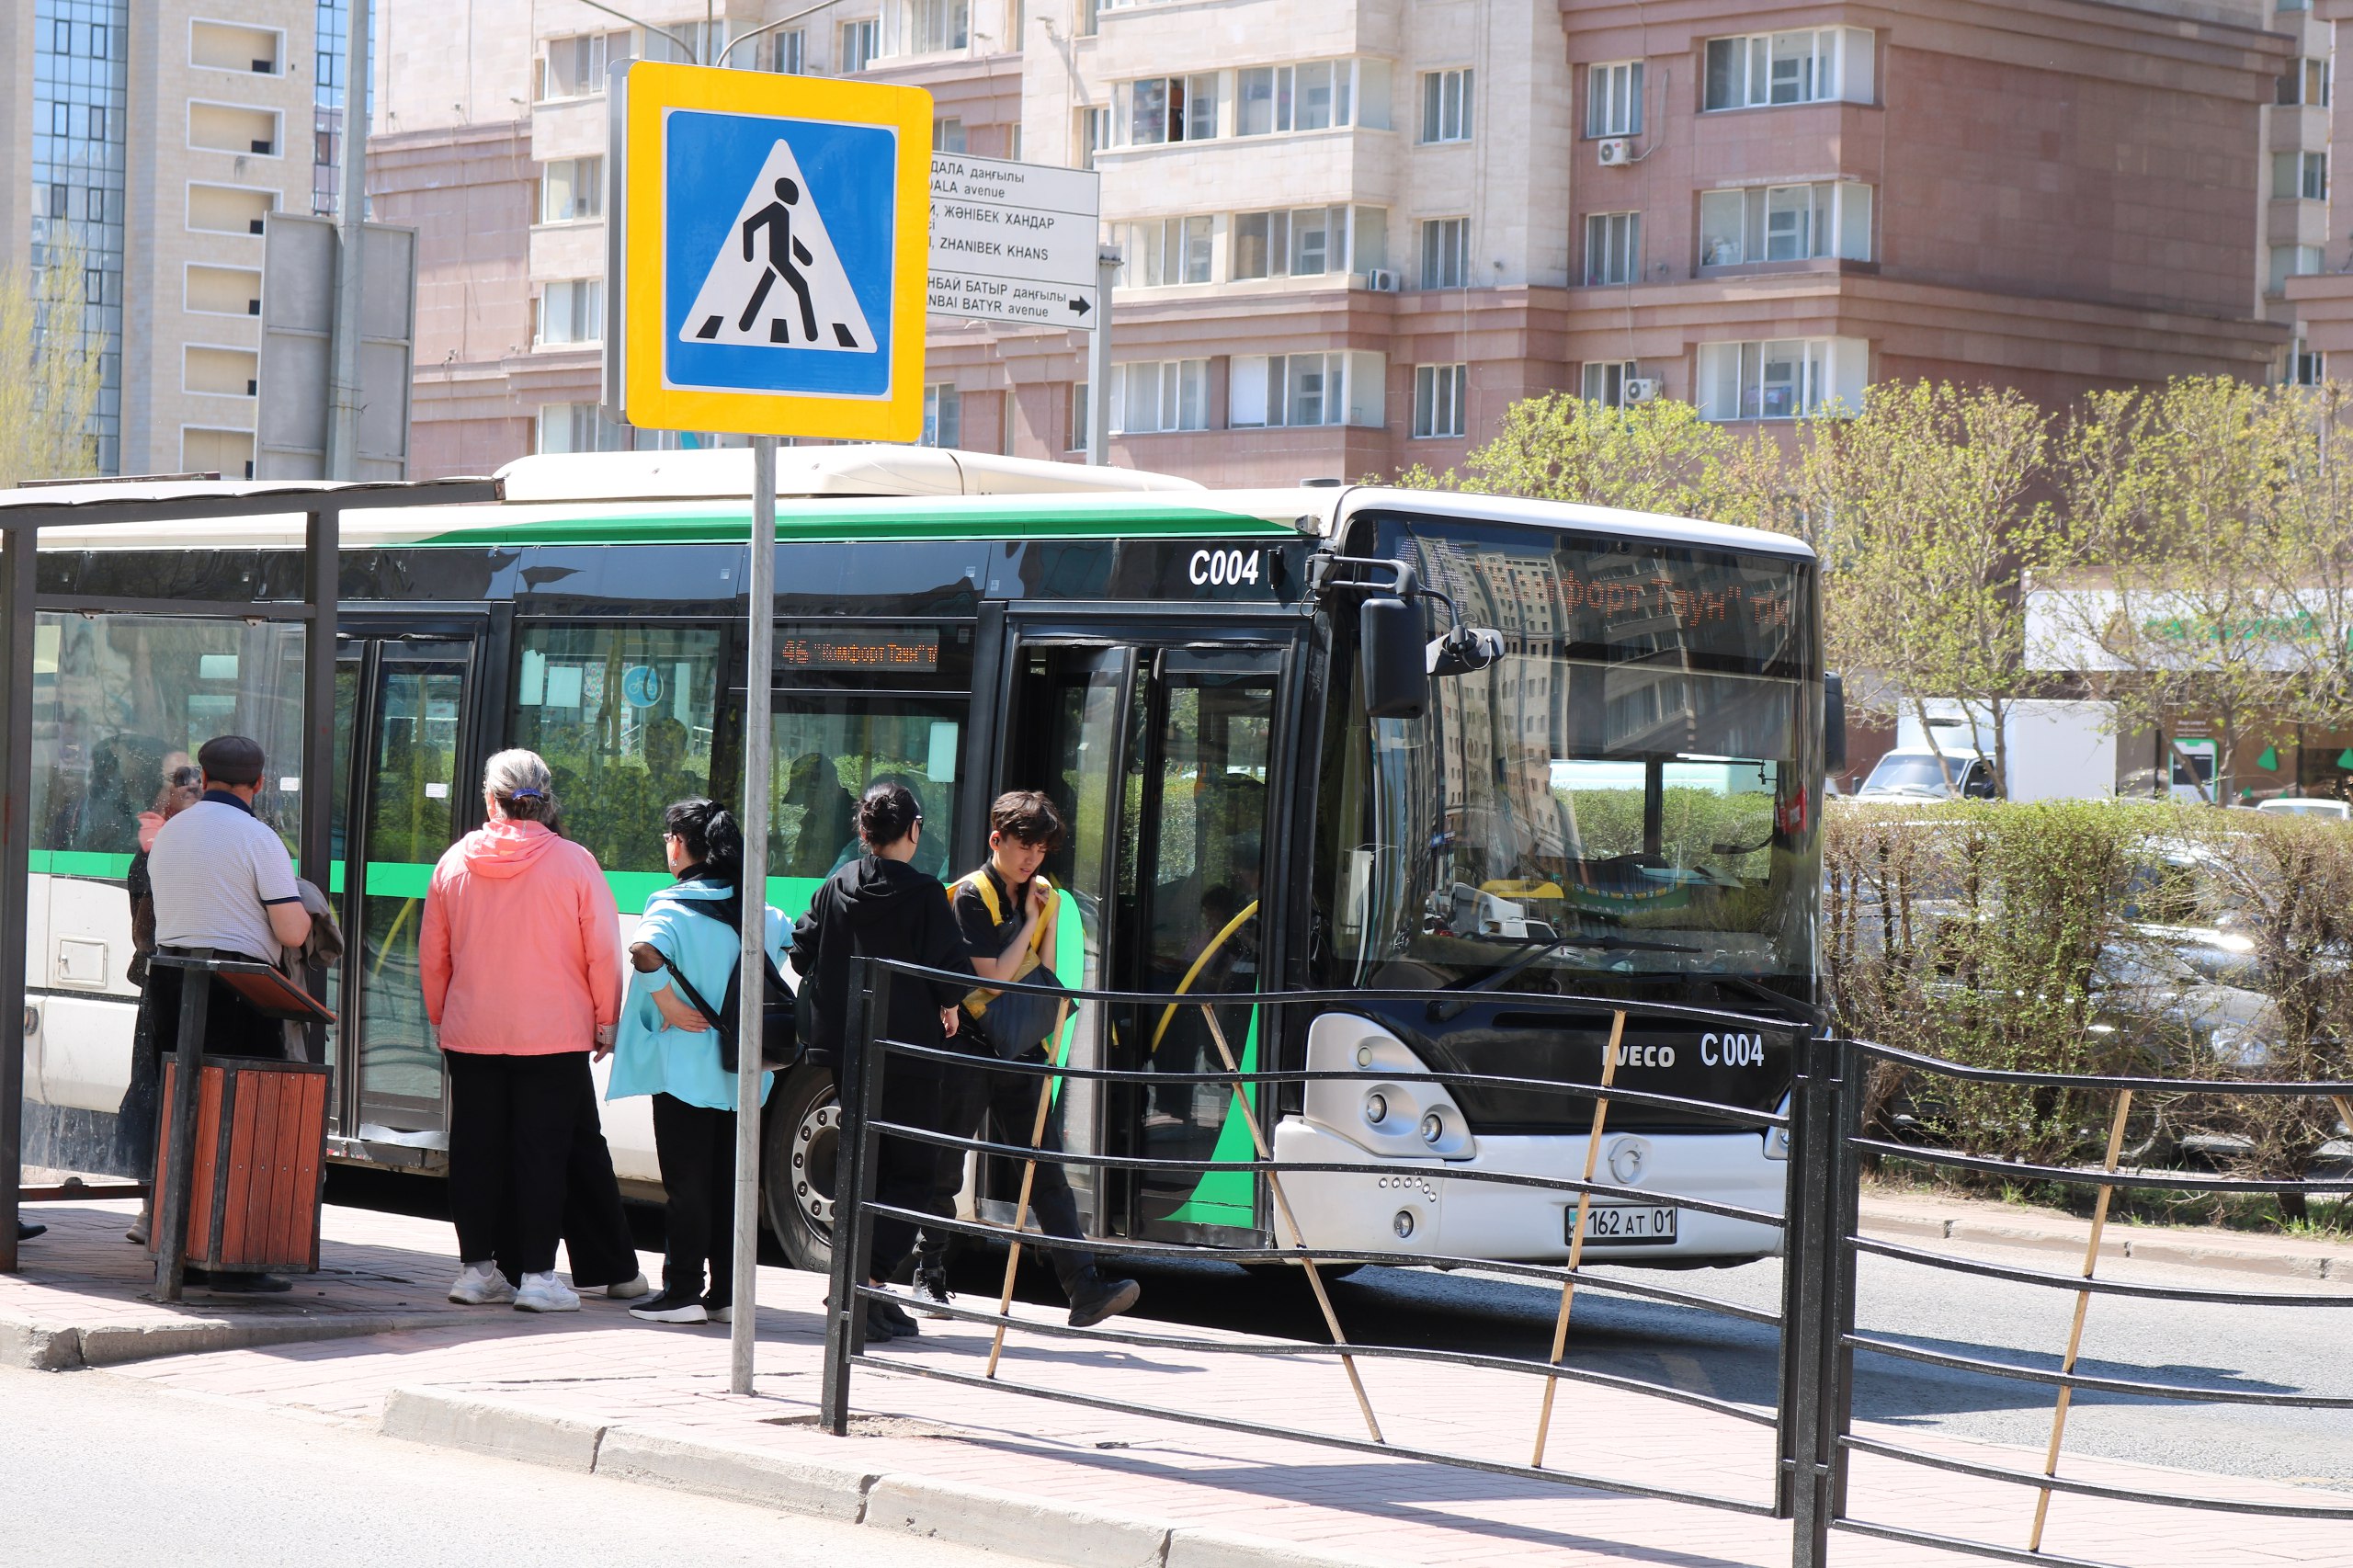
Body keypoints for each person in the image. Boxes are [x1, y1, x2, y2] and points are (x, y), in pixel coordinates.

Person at [922, 790, 1141, 1330]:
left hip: (1021, 1050)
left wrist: (1041, 913)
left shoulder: (1046, 897)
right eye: (1024, 846)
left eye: (1041, 850)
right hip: (970, 1046)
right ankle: (928, 1274)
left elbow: (1042, 972)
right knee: (947, 1166)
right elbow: (992, 977)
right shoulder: (971, 895)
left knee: (1045, 1169)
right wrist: (1028, 918)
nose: (1032, 859)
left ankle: (1084, 1287)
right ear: (997, 840)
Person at [421, 750, 622, 1314]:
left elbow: (433, 955)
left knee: (475, 1150)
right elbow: (602, 950)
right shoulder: (574, 863)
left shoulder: (454, 863)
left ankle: (476, 1271)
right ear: (547, 799)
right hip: (553, 1036)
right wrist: (606, 1019)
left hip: (472, 1032)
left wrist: (443, 1016)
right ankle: (537, 1276)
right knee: (544, 1153)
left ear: (490, 799)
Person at [789, 780, 973, 1341]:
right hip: (908, 1055)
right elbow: (953, 978)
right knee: (912, 1172)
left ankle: (863, 1289)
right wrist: (944, 1006)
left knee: (862, 1166)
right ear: (913, 831)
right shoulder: (924, 896)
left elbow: (802, 950)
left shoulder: (838, 883)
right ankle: (864, 1280)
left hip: (849, 1052)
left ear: (864, 832)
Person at [143, 736, 314, 1291]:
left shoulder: (171, 835)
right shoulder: (260, 839)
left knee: (182, 1114)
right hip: (241, 987)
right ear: (258, 783)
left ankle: (179, 1252)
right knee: (242, 1120)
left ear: (205, 774)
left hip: (171, 984)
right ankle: (232, 1262)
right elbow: (290, 930)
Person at [607, 799, 784, 1325]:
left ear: (680, 845)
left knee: (686, 1186)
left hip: (685, 1071)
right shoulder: (759, 911)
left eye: (668, 838)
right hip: (742, 1074)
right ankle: (727, 1293)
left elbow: (643, 950)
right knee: (730, 1185)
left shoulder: (673, 905)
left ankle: (683, 1290)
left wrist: (665, 1000)